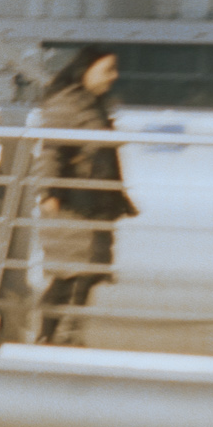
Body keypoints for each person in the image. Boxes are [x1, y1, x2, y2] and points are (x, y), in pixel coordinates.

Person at [37, 45, 136, 346]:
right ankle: (53, 335)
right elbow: (51, 151)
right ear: (86, 70)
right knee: (72, 274)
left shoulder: (95, 105)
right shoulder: (68, 104)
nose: (114, 76)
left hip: (96, 203)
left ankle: (62, 335)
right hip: (72, 203)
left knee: (85, 274)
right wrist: (48, 191)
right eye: (107, 70)